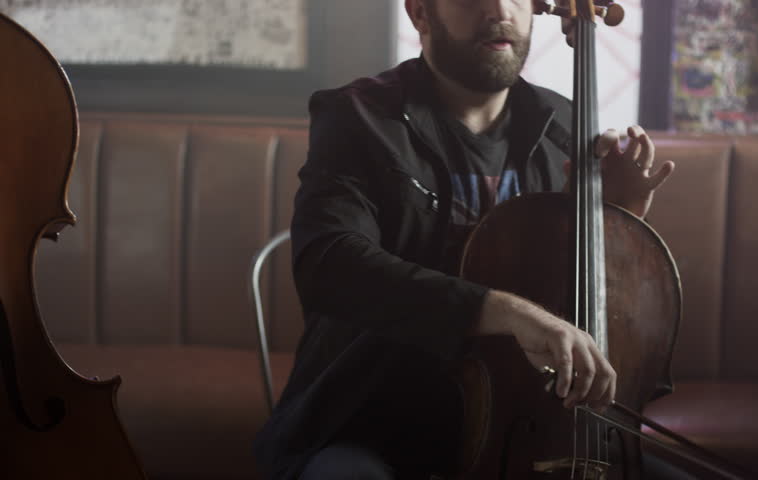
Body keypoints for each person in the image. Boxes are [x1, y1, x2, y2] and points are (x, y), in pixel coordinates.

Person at [254, 0, 675, 479]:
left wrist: (615, 221)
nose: (499, 10)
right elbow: (329, 266)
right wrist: (508, 312)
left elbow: (576, 304)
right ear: (420, 13)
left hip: (531, 427)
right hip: (372, 421)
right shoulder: (359, 117)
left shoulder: (563, 124)